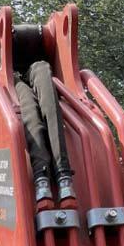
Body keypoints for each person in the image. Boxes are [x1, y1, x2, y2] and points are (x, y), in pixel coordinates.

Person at [13, 55, 75, 204]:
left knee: (42, 69)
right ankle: (42, 175)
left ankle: (62, 172)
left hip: (36, 66)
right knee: (29, 109)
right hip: (11, 77)